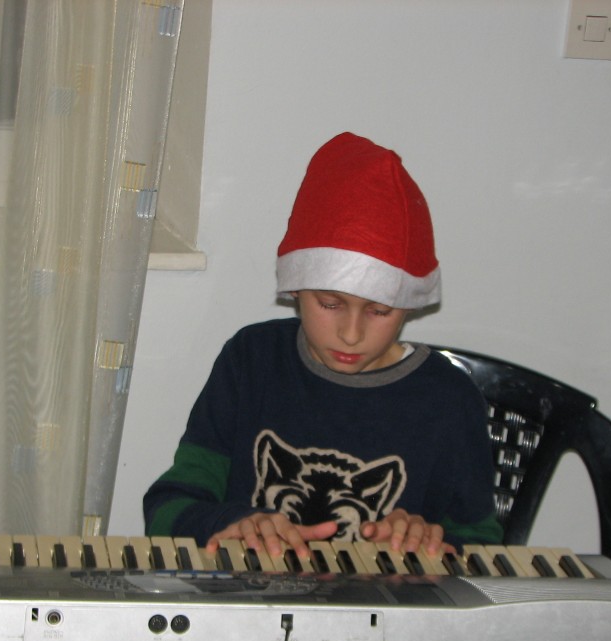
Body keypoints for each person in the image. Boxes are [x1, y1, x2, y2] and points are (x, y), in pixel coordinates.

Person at [143, 132, 502, 565]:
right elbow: (165, 509)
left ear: (409, 304)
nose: (350, 334)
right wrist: (229, 522)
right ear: (295, 288)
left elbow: (486, 551)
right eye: (330, 304)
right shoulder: (252, 360)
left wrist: (431, 541)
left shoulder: (448, 400)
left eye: (379, 311)